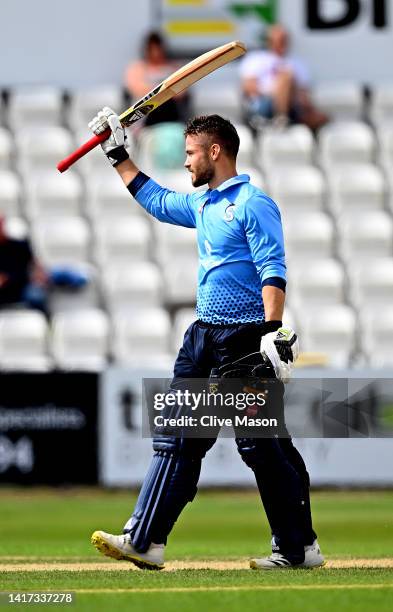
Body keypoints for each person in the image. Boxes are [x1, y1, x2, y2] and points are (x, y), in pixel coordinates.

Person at [88, 107, 325, 571]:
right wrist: (116, 153)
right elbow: (155, 200)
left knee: (261, 445)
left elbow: (272, 269)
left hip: (243, 339)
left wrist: (273, 334)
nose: (186, 162)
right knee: (179, 436)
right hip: (202, 336)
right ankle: (146, 539)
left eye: (192, 153)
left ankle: (297, 549)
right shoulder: (203, 204)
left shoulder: (253, 203)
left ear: (216, 152)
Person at [240, 24, 328, 130]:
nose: (282, 43)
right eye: (278, 40)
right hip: (263, 103)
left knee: (322, 117)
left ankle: (283, 119)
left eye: (284, 40)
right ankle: (282, 117)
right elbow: (249, 87)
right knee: (286, 77)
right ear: (269, 41)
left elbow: (304, 93)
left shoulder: (298, 63)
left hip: (294, 104)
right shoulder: (255, 59)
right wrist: (278, 91)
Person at [124, 31, 191, 126]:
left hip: (171, 118)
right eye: (152, 49)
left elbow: (182, 91)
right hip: (145, 119)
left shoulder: (173, 67)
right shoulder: (137, 68)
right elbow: (136, 88)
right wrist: (164, 91)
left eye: (158, 48)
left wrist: (162, 93)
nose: (156, 52)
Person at [0, 215, 48, 312]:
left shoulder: (20, 246)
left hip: (20, 287)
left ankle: (43, 322)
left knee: (36, 295)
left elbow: (35, 267)